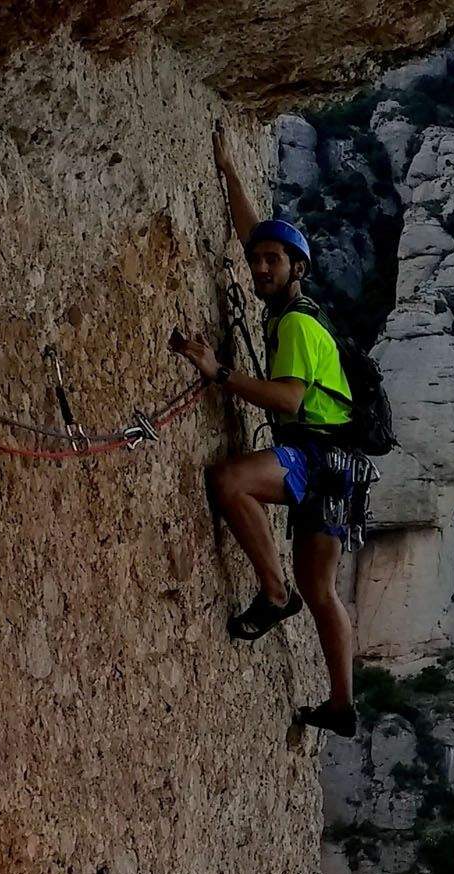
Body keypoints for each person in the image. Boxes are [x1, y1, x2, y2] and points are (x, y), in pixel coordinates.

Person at [173, 127, 358, 736]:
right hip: (340, 466)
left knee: (230, 480)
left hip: (316, 453)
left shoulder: (300, 326)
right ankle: (341, 704)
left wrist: (219, 372)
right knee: (323, 589)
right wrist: (228, 170)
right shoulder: (291, 310)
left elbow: (287, 397)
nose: (259, 267)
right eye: (257, 261)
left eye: (272, 262)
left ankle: (274, 597)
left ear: (297, 268)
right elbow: (257, 232)